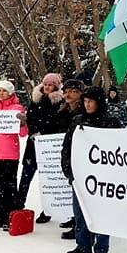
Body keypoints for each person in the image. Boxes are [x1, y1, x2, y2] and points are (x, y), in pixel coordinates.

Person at [61, 86, 122, 253]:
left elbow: (117, 150)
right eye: (85, 101)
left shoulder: (110, 122)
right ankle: (83, 244)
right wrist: (67, 168)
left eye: (91, 102)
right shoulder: (77, 121)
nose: (87, 105)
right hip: (80, 175)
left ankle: (101, 249)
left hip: (102, 177)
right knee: (80, 212)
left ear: (99, 103)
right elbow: (67, 147)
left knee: (101, 213)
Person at [15, 72, 64, 223]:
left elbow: (57, 123)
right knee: (25, 179)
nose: (48, 87)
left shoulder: (59, 103)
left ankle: (48, 210)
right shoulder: (35, 100)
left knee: (47, 181)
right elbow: (31, 118)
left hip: (49, 148)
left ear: (56, 86)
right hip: (32, 146)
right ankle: (18, 205)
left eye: (51, 85)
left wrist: (44, 133)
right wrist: (31, 127)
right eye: (46, 84)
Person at [0, 80, 28, 230]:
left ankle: (9, 215)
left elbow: (22, 134)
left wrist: (23, 123)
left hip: (9, 153)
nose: (1, 93)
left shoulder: (17, 109)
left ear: (10, 92)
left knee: (8, 186)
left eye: (4, 90)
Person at [56, 79, 86, 235]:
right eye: (65, 91)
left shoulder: (83, 111)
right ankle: (75, 219)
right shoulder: (63, 109)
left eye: (72, 91)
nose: (68, 94)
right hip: (67, 152)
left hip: (80, 154)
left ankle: (80, 226)